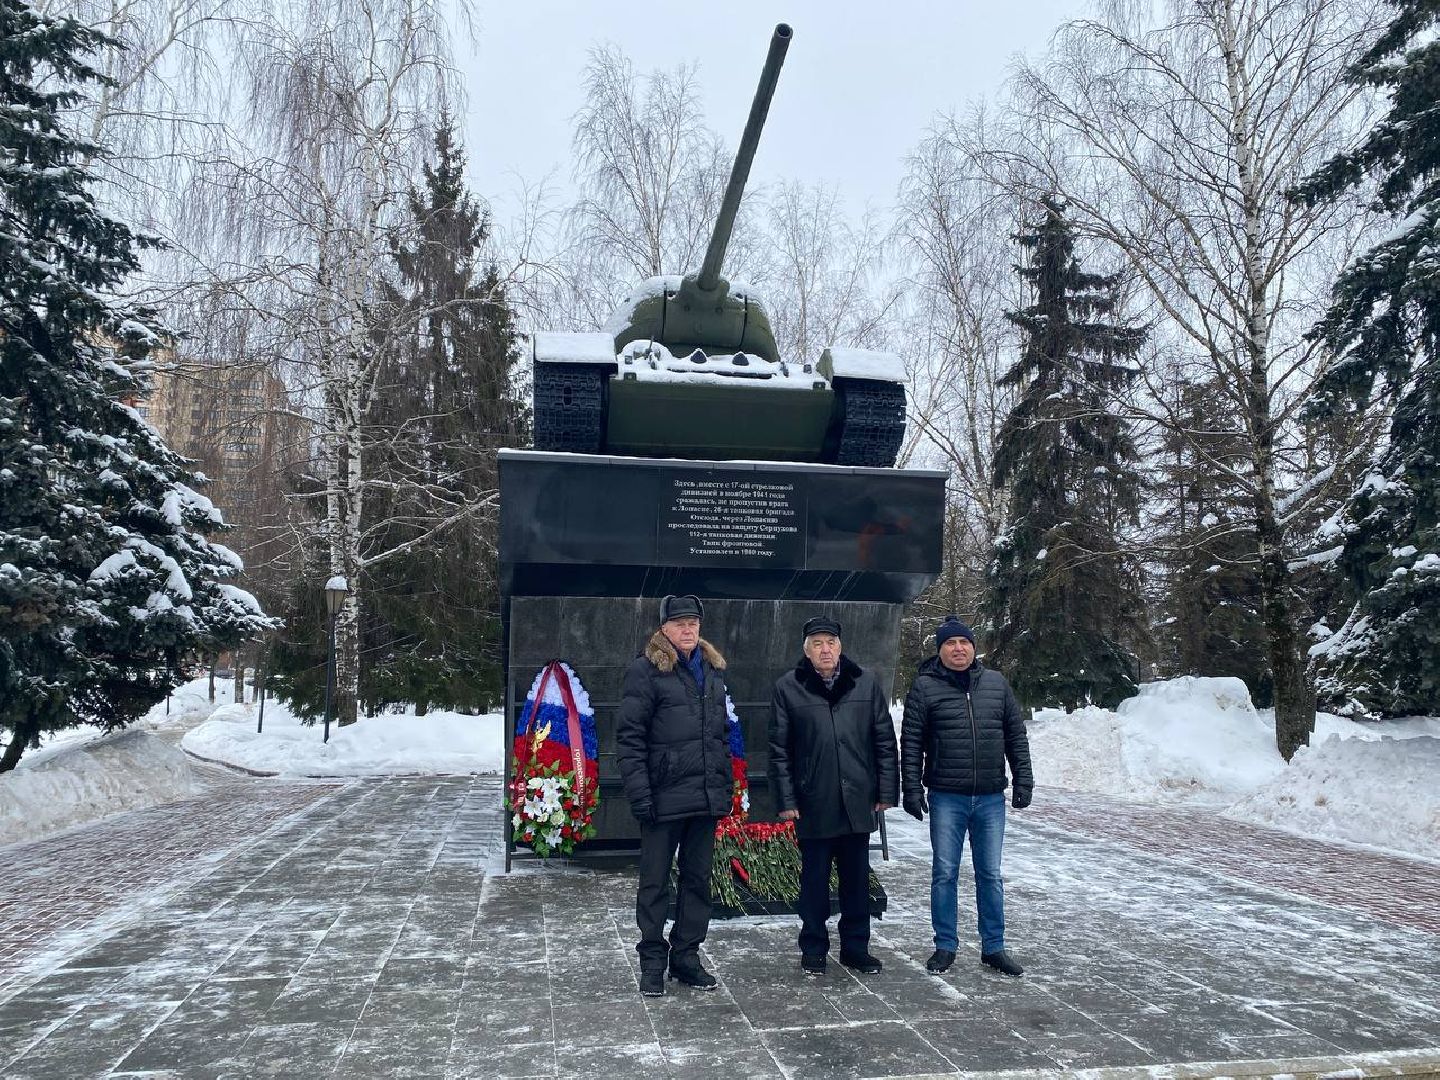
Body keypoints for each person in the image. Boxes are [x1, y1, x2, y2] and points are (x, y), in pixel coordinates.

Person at [901, 615, 1033, 978]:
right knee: (945, 872)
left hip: (990, 798)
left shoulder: (996, 684)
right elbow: (911, 743)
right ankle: (945, 945)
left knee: (990, 873)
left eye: (964, 642)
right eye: (950, 643)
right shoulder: (925, 688)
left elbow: (1015, 736)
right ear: (940, 650)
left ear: (974, 647)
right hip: (947, 796)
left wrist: (1024, 780)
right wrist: (911, 788)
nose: (958, 648)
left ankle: (994, 947)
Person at [616, 594, 734, 997]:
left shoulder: (713, 670)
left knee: (698, 881)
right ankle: (652, 960)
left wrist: (724, 787)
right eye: (680, 623)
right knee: (654, 883)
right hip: (663, 799)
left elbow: (720, 736)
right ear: (664, 628)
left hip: (704, 798)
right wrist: (640, 795)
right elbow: (630, 739)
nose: (688, 629)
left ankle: (686, 956)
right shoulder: (645, 671)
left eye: (694, 622)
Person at [769, 615, 898, 977]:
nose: (825, 650)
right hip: (814, 801)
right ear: (807, 651)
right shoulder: (788, 687)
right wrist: (787, 800)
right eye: (817, 644)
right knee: (814, 882)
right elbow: (779, 749)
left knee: (857, 881)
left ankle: (856, 948)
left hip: (857, 799)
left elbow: (884, 741)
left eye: (831, 643)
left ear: (840, 647)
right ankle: (813, 946)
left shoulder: (865, 683)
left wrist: (886, 790)